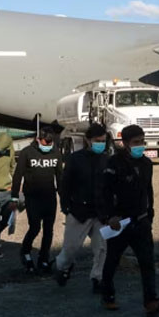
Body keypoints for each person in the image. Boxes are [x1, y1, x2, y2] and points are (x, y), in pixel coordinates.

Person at [98, 125, 159, 316]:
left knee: (147, 262)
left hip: (141, 221)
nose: (140, 146)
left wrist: (150, 213)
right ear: (126, 143)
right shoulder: (114, 163)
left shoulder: (146, 163)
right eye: (136, 142)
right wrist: (109, 216)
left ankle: (151, 300)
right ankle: (108, 295)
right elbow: (105, 192)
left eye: (142, 142)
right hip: (120, 223)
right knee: (112, 260)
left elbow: (148, 190)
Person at [55, 122, 109, 292]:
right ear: (88, 140)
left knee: (102, 248)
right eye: (97, 140)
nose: (100, 143)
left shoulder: (107, 159)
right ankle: (63, 267)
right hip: (79, 211)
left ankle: (98, 278)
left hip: (100, 213)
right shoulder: (75, 159)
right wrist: (66, 207)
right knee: (70, 249)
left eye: (103, 140)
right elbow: (65, 184)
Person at [11, 129, 63, 274]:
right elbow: (18, 175)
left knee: (49, 230)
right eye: (45, 142)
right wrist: (14, 197)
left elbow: (60, 177)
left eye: (50, 142)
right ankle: (25, 252)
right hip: (32, 197)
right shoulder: (27, 152)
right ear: (38, 140)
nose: (48, 145)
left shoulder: (55, 153)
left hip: (50, 197)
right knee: (34, 227)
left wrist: (64, 198)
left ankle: (44, 259)